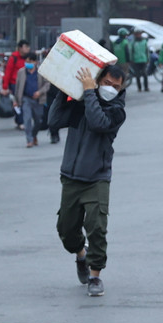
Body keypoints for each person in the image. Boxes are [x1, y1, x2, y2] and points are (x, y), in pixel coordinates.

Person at [48, 65, 127, 297]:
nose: (111, 89)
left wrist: (90, 92)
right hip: (71, 177)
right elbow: (53, 121)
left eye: (116, 87)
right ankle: (80, 255)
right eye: (108, 83)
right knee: (66, 230)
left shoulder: (117, 112)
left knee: (97, 227)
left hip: (97, 178)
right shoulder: (82, 104)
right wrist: (64, 91)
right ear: (98, 79)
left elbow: (97, 123)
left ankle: (95, 276)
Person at [14, 52, 49, 148]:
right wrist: (16, 100)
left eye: (29, 61)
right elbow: (17, 87)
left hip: (38, 100)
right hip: (26, 99)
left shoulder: (41, 72)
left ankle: (34, 135)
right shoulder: (21, 72)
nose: (27, 63)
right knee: (27, 119)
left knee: (38, 121)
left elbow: (47, 84)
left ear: (35, 62)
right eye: (26, 61)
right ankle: (29, 140)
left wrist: (40, 92)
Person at [1, 39, 30, 130]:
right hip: (14, 84)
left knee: (24, 102)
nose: (28, 49)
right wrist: (5, 87)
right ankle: (20, 121)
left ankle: (20, 120)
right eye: (26, 47)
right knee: (18, 102)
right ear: (20, 48)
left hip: (26, 83)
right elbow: (8, 72)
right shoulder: (13, 58)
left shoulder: (28, 58)